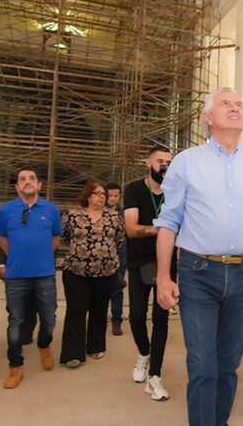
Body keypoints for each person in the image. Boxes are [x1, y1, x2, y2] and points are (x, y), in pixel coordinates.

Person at [155, 88, 243, 426]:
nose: (235, 108)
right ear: (208, 118)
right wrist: (164, 276)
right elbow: (169, 222)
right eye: (226, 104)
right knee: (202, 364)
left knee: (229, 364)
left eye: (239, 104)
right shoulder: (187, 162)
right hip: (198, 272)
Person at [0, 166, 62, 389]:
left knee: (49, 318)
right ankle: (15, 366)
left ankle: (44, 345)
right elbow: (3, 240)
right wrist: (17, 259)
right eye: (22, 179)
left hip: (44, 274)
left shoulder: (51, 210)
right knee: (16, 321)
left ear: (40, 185)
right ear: (16, 186)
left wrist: (40, 258)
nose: (27, 181)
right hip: (16, 277)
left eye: (32, 178)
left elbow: (55, 239)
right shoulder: (6, 210)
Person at [123, 147, 175, 401]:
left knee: (161, 319)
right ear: (148, 163)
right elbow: (132, 229)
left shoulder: (175, 192)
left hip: (167, 264)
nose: (164, 166)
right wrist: (162, 228)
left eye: (168, 162)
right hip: (138, 262)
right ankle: (144, 353)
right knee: (135, 316)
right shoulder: (134, 189)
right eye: (160, 161)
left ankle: (155, 376)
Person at [59, 182, 124, 368]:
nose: (102, 197)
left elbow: (119, 239)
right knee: (76, 311)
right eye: (97, 193)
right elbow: (64, 236)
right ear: (87, 196)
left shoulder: (113, 217)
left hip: (105, 273)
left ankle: (96, 345)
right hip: (76, 272)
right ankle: (73, 353)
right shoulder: (73, 216)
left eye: (103, 194)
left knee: (99, 309)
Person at [0, 242, 38, 345]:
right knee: (14, 310)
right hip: (13, 270)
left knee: (32, 307)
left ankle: (26, 334)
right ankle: (15, 342)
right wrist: (1, 264)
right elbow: (2, 240)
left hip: (36, 269)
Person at [106, 182, 126, 336]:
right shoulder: (99, 213)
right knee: (101, 289)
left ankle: (117, 321)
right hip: (101, 256)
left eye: (115, 196)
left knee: (117, 288)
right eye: (110, 195)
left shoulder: (124, 213)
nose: (112, 199)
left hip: (120, 255)